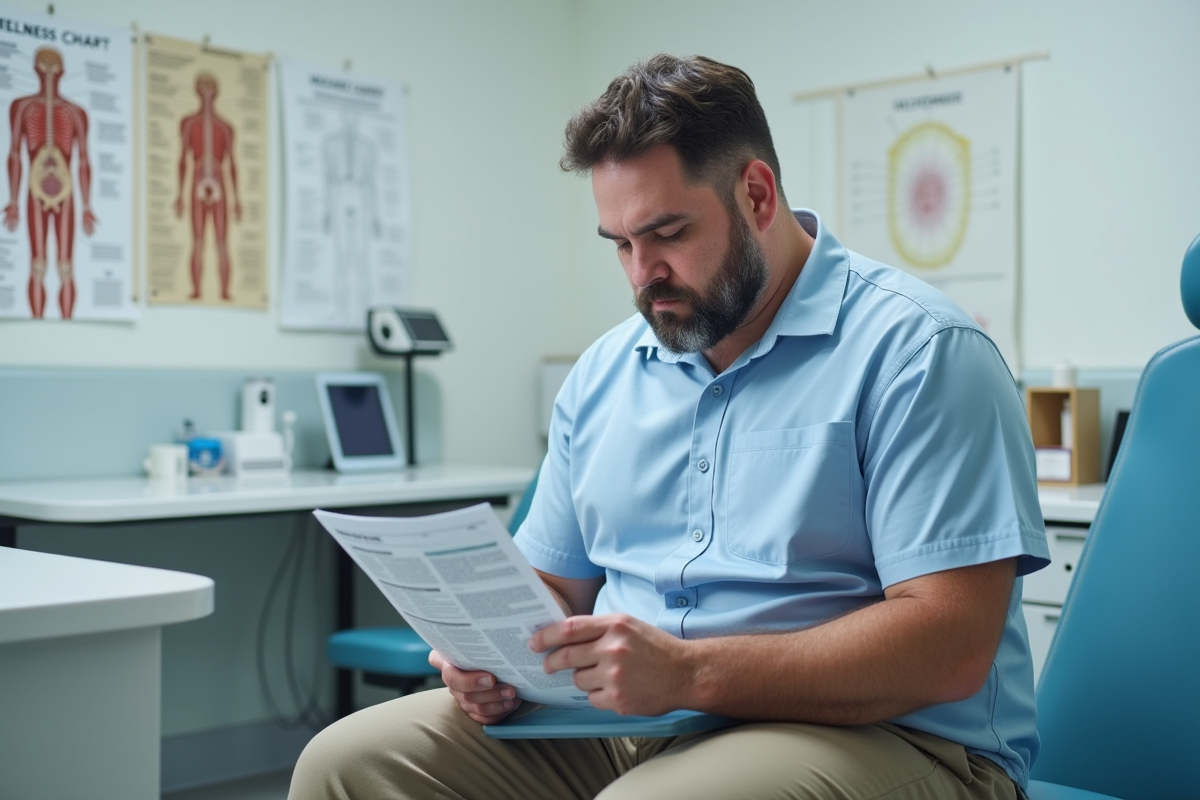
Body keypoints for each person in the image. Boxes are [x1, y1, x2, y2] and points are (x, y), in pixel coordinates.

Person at [290, 54, 1049, 800]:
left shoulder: (920, 353)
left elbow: (948, 646)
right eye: (620, 244)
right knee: (348, 761)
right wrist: (489, 657)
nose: (640, 273)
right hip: (628, 724)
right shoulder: (605, 374)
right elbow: (554, 584)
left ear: (756, 194)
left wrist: (690, 674)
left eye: (668, 234)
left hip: (889, 737)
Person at [4, 46, 96, 319]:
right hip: (34, 192)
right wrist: (12, 201)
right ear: (34, 68)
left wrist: (88, 206)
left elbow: (83, 161)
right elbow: (14, 154)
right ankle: (37, 323)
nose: (48, 70)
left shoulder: (76, 113)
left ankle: (66, 323)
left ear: (63, 71)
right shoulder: (21, 107)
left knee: (66, 266)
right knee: (38, 264)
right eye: (43, 64)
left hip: (67, 195)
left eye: (53, 65)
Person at [174, 72, 241, 301]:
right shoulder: (189, 123)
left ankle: (224, 291)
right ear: (196, 90)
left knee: (222, 242)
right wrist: (179, 195)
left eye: (210, 88)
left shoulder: (225, 127)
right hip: (197, 181)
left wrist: (238, 199)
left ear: (217, 92)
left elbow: (232, 164)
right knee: (199, 241)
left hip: (219, 183)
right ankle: (197, 290)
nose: (206, 93)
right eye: (202, 88)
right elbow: (183, 159)